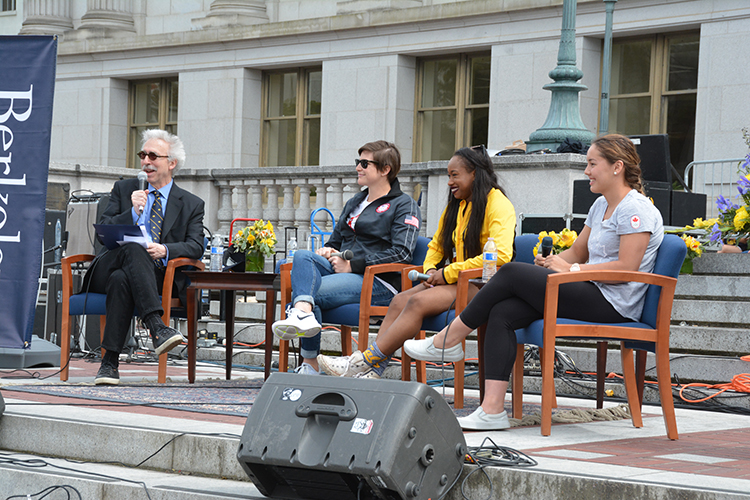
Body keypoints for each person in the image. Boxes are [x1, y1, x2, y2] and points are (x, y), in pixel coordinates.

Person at [404, 134, 664, 430]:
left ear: (617, 167)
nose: (586, 171)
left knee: (512, 271)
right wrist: (552, 263)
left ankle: (449, 338)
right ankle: (491, 411)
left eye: (592, 164)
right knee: (503, 312)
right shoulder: (599, 206)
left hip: (614, 303)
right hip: (590, 288)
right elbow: (577, 250)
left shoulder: (636, 208)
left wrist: (570, 270)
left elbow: (627, 266)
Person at [318, 145, 516, 379]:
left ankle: (364, 361)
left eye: (455, 175)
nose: (450, 182)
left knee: (416, 302)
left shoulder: (498, 204)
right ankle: (372, 372)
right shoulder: (459, 205)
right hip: (456, 280)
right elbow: (437, 245)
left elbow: (501, 255)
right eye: (448, 176)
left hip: (485, 286)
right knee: (400, 300)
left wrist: (448, 272)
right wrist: (432, 268)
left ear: (474, 173)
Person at [271, 140, 421, 375]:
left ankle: (308, 360)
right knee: (303, 256)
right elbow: (335, 241)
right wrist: (328, 250)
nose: (358, 168)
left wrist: (353, 265)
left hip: (379, 282)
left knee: (310, 294)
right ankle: (303, 316)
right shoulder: (356, 202)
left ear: (385, 169)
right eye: (357, 162)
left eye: (364, 163)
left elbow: (402, 253)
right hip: (344, 271)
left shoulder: (404, 205)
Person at [84, 129, 205, 385]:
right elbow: (103, 235)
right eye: (143, 155)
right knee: (132, 246)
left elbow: (196, 246)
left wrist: (165, 250)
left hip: (156, 275)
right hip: (110, 264)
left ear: (171, 163)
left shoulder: (192, 203)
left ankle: (109, 364)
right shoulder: (125, 189)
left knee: (122, 280)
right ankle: (156, 326)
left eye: (153, 156)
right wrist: (131, 211)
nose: (146, 161)